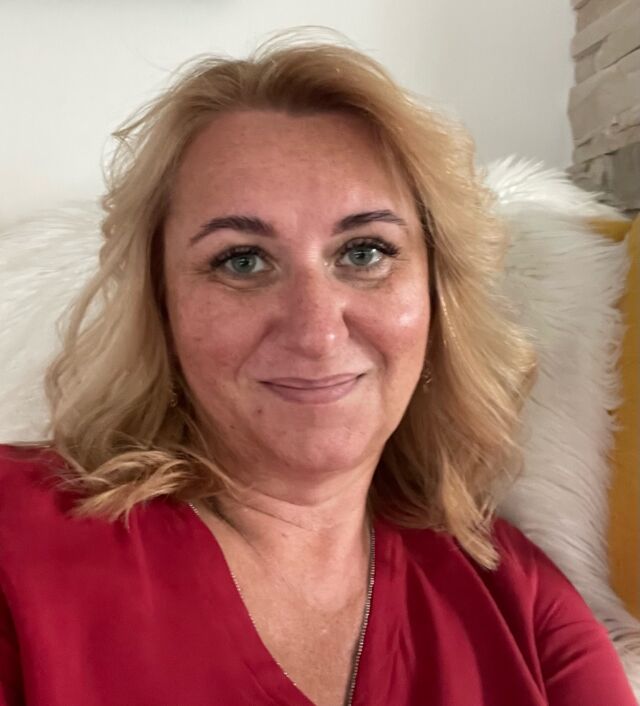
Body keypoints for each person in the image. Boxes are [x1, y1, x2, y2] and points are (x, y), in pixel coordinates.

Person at [0, 31, 635, 706]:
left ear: (435, 296)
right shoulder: (16, 541)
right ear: (162, 305)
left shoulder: (521, 604)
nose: (316, 331)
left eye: (364, 252)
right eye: (241, 260)